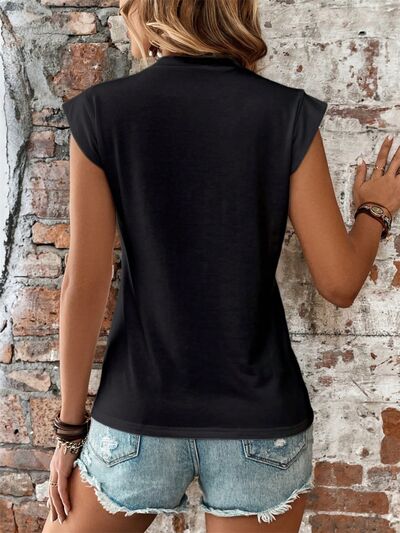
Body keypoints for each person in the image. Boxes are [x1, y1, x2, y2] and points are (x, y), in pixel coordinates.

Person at [42, 0, 400, 532]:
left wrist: (70, 434)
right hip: (258, 424)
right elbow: (340, 283)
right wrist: (374, 211)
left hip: (137, 419)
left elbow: (85, 284)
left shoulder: (101, 113)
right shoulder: (286, 114)